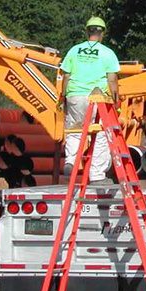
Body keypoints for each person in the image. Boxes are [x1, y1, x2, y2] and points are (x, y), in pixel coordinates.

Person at [59, 16, 120, 184]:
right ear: (103, 34)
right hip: (97, 97)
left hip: (74, 95)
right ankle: (97, 175)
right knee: (101, 132)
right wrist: (115, 101)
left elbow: (66, 75)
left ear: (87, 32)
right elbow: (112, 80)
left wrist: (63, 96)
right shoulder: (107, 53)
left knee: (74, 129)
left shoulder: (74, 51)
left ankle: (71, 161)